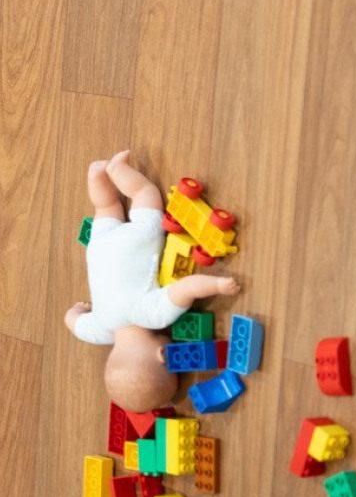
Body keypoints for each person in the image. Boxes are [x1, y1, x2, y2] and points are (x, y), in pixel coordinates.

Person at [65, 151, 241, 412]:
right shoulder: (100, 331)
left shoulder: (153, 316)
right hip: (99, 248)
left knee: (145, 194)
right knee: (106, 208)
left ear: (163, 356)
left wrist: (218, 286)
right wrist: (80, 309)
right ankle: (98, 175)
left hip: (138, 240)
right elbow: (71, 321)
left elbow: (187, 288)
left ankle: (119, 170)